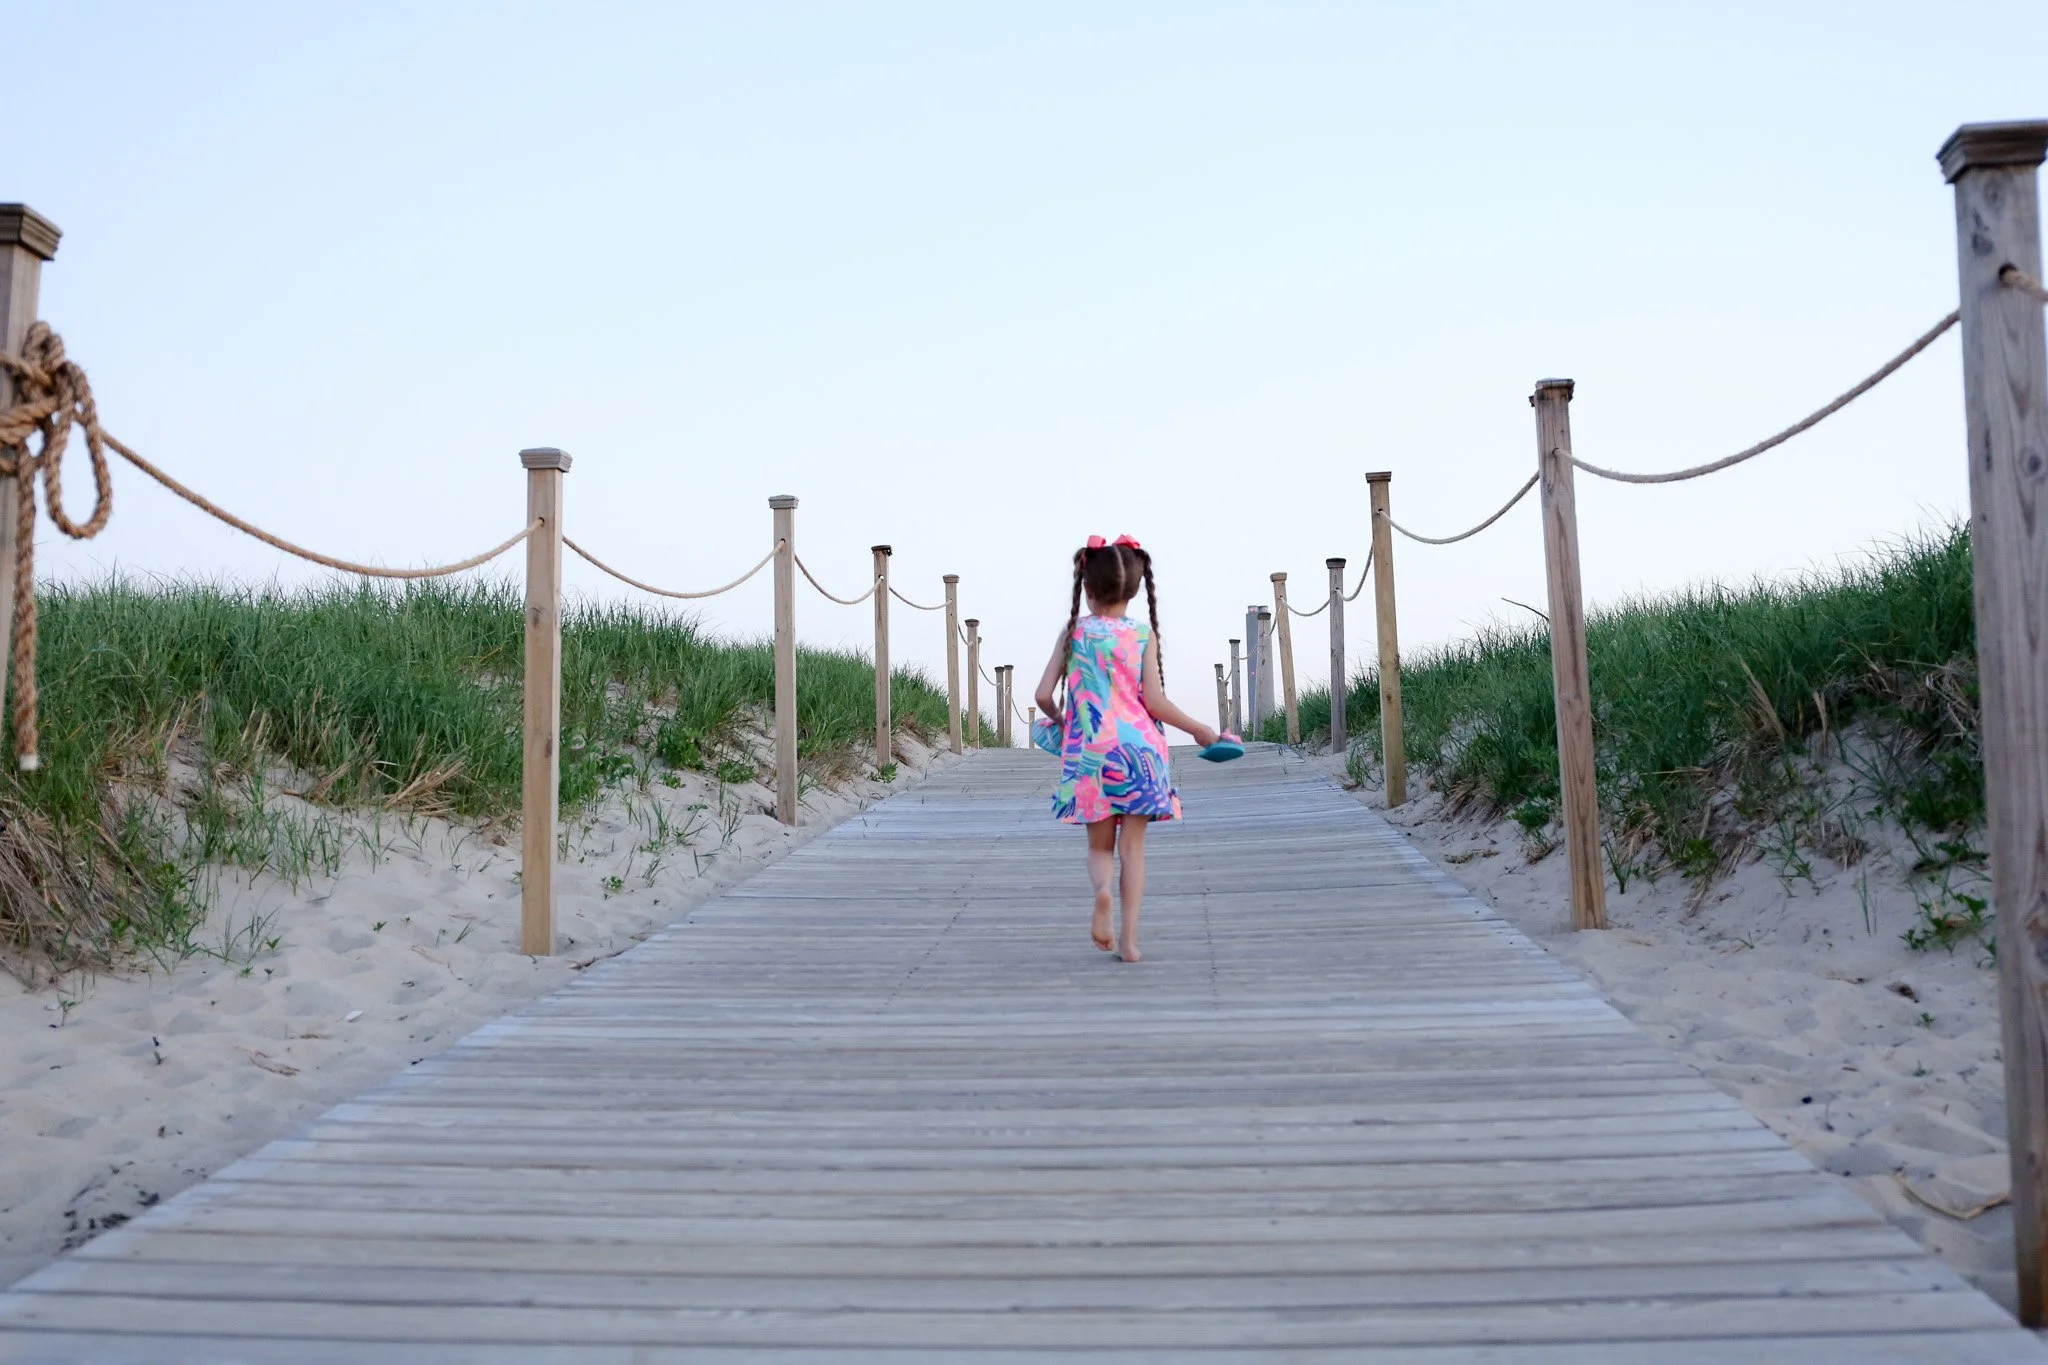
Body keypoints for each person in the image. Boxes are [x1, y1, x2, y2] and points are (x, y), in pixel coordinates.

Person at [1032, 534, 1224, 963]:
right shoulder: (1141, 635)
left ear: (1086, 586)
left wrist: (1065, 723)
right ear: (1135, 589)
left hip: (1091, 754)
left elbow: (1043, 695)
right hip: (1142, 754)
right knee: (1133, 849)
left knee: (1100, 849)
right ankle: (1131, 943)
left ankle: (1102, 895)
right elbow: (1155, 703)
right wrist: (1200, 731)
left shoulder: (1074, 633)